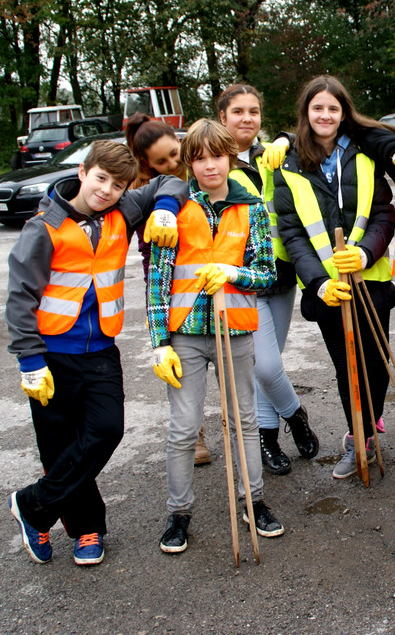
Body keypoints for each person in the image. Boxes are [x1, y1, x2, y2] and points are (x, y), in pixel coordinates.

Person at [6, 140, 187, 566]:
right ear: (83, 173)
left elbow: (170, 181)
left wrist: (163, 207)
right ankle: (86, 528)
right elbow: (20, 298)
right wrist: (30, 360)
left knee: (105, 430)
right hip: (51, 355)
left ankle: (32, 506)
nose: (107, 190)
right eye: (101, 178)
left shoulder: (123, 211)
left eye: (118, 184)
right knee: (61, 447)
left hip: (101, 350)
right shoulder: (43, 227)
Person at [148, 119, 282, 553]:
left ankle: (254, 501)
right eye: (200, 158)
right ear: (190, 162)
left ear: (230, 157)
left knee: (243, 420)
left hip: (235, 331)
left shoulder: (253, 207)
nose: (209, 166)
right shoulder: (174, 206)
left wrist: (233, 273)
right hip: (184, 333)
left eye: (217, 156)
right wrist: (158, 341)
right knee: (184, 427)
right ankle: (179, 513)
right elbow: (157, 279)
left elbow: (267, 274)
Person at [272, 75, 395, 480]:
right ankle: (358, 438)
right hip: (328, 290)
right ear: (305, 114)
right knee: (347, 368)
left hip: (370, 280)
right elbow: (291, 232)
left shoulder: (365, 152)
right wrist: (318, 282)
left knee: (376, 363)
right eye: (317, 108)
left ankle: (372, 422)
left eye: (333, 108)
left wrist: (364, 252)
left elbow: (383, 213)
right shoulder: (288, 163)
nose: (325, 115)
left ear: (344, 113)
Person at [216, 83, 320, 476]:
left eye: (254, 112)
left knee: (265, 363)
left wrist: (284, 137)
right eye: (238, 111)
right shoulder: (215, 158)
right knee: (262, 366)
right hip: (240, 277)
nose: (247, 119)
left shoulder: (271, 154)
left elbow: (306, 138)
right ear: (222, 116)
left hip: (280, 272)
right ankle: (294, 415)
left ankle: (267, 436)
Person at [124, 114, 215, 468]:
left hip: (206, 277)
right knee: (178, 362)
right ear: (147, 163)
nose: (174, 164)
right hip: (167, 285)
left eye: (176, 154)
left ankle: (247, 431)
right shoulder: (142, 189)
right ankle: (194, 436)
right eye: (162, 161)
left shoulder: (201, 169)